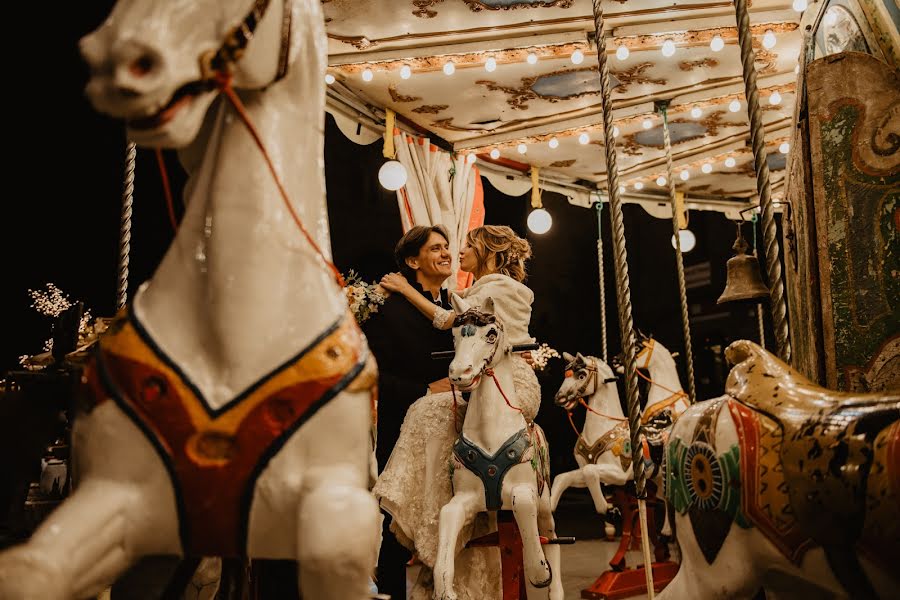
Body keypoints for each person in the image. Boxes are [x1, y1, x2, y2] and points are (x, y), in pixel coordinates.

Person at [374, 225, 540, 600]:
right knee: (426, 410)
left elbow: (454, 323)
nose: (455, 251)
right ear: (413, 261)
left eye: (463, 245)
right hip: (456, 392)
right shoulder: (454, 295)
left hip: (491, 388)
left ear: (492, 254)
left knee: (429, 412)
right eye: (442, 246)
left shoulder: (488, 292)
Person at [361, 225, 455, 600]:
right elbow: (372, 372)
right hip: (402, 426)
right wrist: (424, 389)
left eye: (447, 246)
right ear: (413, 261)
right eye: (436, 248)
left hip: (453, 428)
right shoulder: (387, 307)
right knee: (396, 526)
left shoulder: (455, 305)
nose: (447, 252)